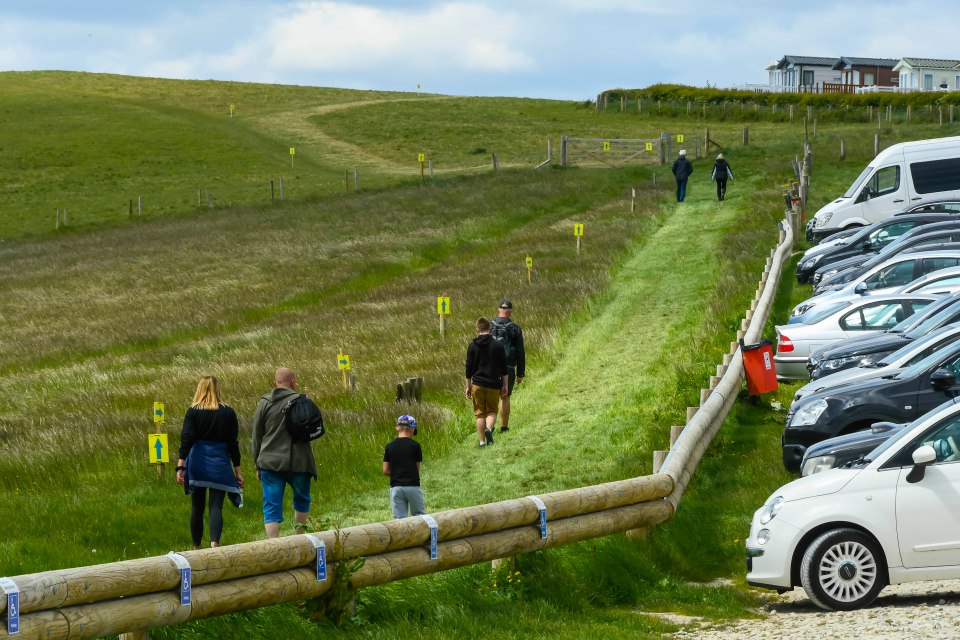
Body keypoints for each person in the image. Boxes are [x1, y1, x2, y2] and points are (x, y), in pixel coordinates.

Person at [176, 376, 244, 549]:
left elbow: (187, 439)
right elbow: (232, 443)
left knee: (197, 507)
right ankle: (214, 545)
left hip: (198, 461)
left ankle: (197, 547)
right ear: (217, 389)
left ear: (200, 389)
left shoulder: (193, 411)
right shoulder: (228, 412)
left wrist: (180, 465)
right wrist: (238, 470)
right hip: (220, 462)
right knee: (216, 506)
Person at [252, 367, 318, 538]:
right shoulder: (303, 401)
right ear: (293, 382)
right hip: (300, 461)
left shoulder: (265, 402)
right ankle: (300, 538)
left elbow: (257, 436)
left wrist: (257, 463)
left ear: (275, 383)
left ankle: (275, 547)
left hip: (270, 462)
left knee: (271, 506)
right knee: (302, 500)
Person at [465, 316, 508, 448]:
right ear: (490, 329)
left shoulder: (472, 346)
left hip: (477, 383)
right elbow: (504, 368)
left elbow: (468, 369)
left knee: (480, 413)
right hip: (494, 383)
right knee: (492, 411)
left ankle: (482, 442)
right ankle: (489, 429)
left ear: (477, 329)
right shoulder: (498, 345)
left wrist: (468, 386)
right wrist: (505, 385)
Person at [491, 299, 525, 433]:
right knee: (505, 397)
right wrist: (520, 373)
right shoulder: (515, 328)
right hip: (509, 367)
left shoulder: (489, 326)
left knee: (492, 397)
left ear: (498, 311)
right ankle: (504, 427)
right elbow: (521, 352)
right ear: (510, 313)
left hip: (490, 367)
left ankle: (489, 427)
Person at [382, 414, 425, 519]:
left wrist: (397, 473)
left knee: (399, 520)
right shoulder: (415, 446)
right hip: (413, 486)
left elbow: (385, 470)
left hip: (396, 488)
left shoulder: (389, 446)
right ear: (412, 429)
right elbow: (416, 469)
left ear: (397, 428)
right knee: (419, 517)